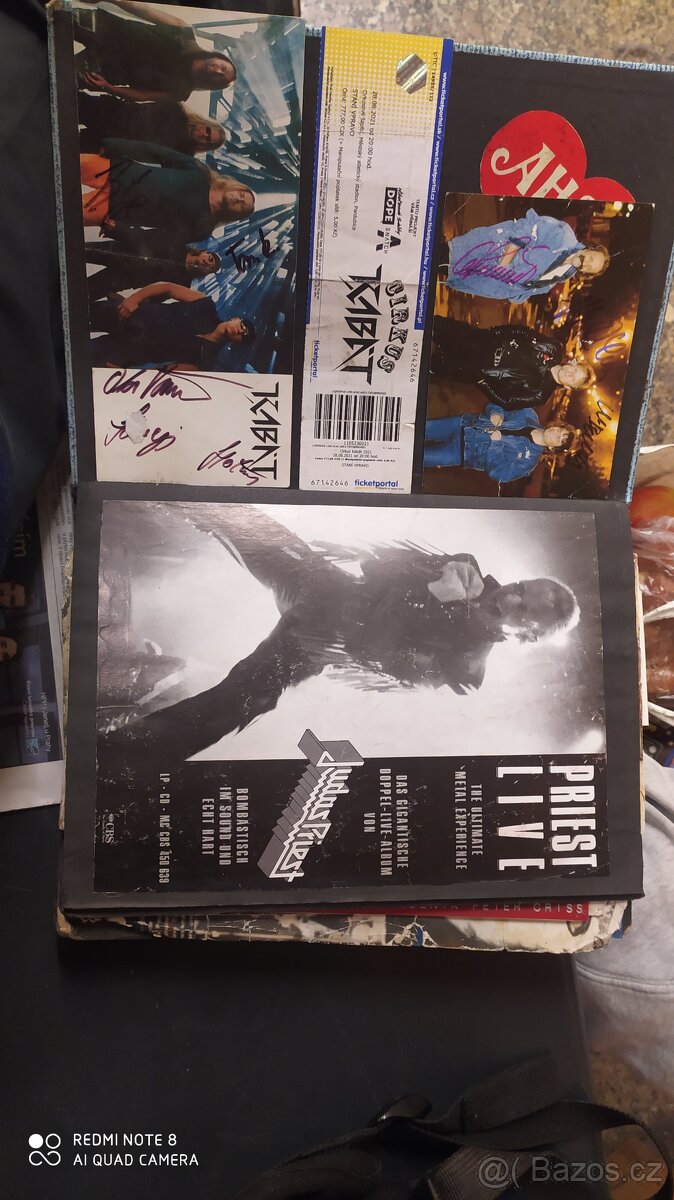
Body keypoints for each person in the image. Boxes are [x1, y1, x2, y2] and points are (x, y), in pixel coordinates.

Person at [102, 507, 580, 760]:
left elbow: (373, 653)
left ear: (527, 636)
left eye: (524, 610)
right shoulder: (468, 566)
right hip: (318, 582)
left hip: (313, 646)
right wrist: (432, 571)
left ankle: (114, 759)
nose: (510, 598)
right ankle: (127, 499)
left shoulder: (464, 669)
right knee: (233, 517)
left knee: (238, 702)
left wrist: (431, 598)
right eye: (521, 588)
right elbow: (375, 564)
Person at [80, 140, 255, 242]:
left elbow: (159, 239)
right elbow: (156, 152)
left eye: (242, 206)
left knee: (67, 215)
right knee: (66, 162)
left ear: (235, 215)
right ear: (236, 187)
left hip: (114, 209)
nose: (239, 200)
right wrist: (115, 145)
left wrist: (121, 231)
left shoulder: (203, 228)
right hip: (116, 171)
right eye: (242, 195)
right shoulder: (201, 172)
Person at [73, 1, 236, 103]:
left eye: (221, 78)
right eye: (223, 67)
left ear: (213, 85)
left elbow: (143, 95)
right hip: (106, 28)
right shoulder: (184, 31)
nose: (218, 71)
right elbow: (144, 10)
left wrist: (107, 88)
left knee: (63, 77)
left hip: (104, 69)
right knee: (59, 17)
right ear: (218, 57)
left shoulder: (181, 92)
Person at [441, 208, 609, 302]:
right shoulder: (563, 235)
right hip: (487, 253)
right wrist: (504, 263)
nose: (587, 264)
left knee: (442, 272)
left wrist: (516, 296)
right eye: (591, 258)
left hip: (488, 281)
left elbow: (533, 287)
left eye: (590, 268)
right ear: (589, 248)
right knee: (443, 257)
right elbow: (527, 228)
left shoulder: (564, 275)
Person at [431, 316, 595, 410]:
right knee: (434, 325)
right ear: (574, 364)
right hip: (480, 340)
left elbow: (507, 402)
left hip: (475, 369)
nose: (570, 373)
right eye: (575, 371)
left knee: (432, 364)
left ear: (569, 387)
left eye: (573, 379)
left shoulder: (540, 394)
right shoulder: (554, 348)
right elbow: (524, 332)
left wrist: (481, 380)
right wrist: (493, 333)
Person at [89, 282, 254, 368]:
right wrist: (134, 299)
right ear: (236, 318)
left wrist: (125, 374)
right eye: (242, 325)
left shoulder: (205, 359)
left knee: (80, 354)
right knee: (78, 315)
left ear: (238, 343)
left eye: (244, 335)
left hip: (126, 352)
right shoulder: (206, 306)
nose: (240, 330)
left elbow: (165, 375)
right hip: (126, 314)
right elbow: (167, 288)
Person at [424, 403, 578, 484]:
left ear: (553, 448)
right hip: (462, 424)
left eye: (559, 439)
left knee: (417, 457)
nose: (556, 433)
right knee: (418, 428)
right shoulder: (528, 414)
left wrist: (496, 445)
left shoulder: (529, 462)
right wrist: (496, 413)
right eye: (560, 430)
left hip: (461, 453)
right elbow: (498, 403)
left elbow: (500, 474)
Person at [77, 92, 226, 156]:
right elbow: (143, 98)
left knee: (69, 145)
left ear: (205, 145)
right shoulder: (177, 110)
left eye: (207, 139)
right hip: (110, 112)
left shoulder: (183, 153)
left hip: (111, 142)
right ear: (206, 124)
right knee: (68, 104)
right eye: (207, 131)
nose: (203, 134)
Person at [85, 236, 221, 301]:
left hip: (123, 279)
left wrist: (125, 301)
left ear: (206, 273)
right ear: (205, 252)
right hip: (120, 250)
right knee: (77, 251)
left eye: (211, 268)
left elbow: (152, 300)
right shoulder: (179, 243)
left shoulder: (182, 284)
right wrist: (117, 230)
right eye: (210, 259)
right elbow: (145, 236)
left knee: (84, 293)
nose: (208, 264)